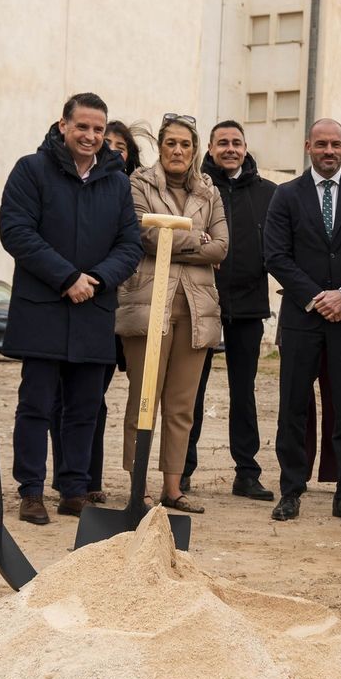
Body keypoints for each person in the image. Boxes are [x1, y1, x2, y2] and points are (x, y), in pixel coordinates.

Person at [1, 93, 142, 523]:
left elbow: (130, 244)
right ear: (63, 125)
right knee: (36, 405)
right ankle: (31, 490)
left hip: (93, 309)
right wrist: (67, 277)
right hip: (42, 306)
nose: (91, 136)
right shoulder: (31, 170)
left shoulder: (117, 182)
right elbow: (16, 231)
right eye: (82, 127)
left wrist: (96, 279)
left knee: (84, 407)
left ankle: (74, 489)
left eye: (99, 130)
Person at [264, 118, 341, 524]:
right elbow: (276, 255)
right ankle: (291, 490)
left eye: (336, 144)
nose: (329, 151)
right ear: (308, 147)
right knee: (294, 407)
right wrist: (318, 298)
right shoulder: (286, 195)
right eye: (321, 144)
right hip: (303, 318)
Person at [115, 114, 227, 513]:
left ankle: (173, 488)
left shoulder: (208, 191)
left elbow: (223, 247)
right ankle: (138, 488)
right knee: (143, 400)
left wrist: (174, 237)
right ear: (160, 148)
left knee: (181, 405)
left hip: (197, 312)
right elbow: (142, 234)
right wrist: (197, 237)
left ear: (195, 150)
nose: (178, 151)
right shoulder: (138, 184)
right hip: (148, 307)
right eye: (170, 144)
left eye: (185, 144)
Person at [48, 118, 145, 503]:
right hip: (88, 302)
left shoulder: (129, 187)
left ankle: (90, 478)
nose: (116, 150)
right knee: (72, 397)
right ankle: (72, 478)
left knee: (94, 402)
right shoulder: (85, 183)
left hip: (123, 306)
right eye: (113, 143)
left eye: (123, 146)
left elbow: (132, 242)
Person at [185, 119, 277, 500]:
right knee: (190, 391)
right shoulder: (196, 190)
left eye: (236, 142)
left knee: (244, 392)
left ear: (245, 147)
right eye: (222, 142)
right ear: (210, 148)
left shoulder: (269, 193)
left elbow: (278, 245)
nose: (230, 149)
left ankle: (246, 473)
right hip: (200, 303)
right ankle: (182, 470)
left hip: (249, 306)